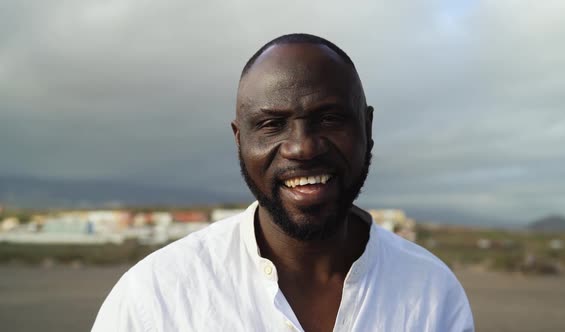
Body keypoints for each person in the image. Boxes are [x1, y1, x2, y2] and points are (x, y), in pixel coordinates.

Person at [92, 33, 474, 332]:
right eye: (271, 125)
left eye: (328, 119)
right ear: (240, 140)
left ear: (367, 128)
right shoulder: (155, 296)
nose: (302, 148)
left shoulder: (432, 291)